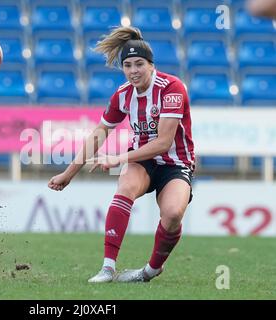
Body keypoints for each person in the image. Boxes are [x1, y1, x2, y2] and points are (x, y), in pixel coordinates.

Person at [48, 26, 195, 283]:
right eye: (127, 65)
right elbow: (99, 133)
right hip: (141, 160)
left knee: (172, 215)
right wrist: (68, 174)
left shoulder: (172, 88)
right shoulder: (123, 95)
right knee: (125, 186)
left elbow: (163, 142)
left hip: (176, 163)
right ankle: (107, 268)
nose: (133, 71)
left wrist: (117, 158)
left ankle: (150, 270)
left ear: (151, 65)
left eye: (139, 64)